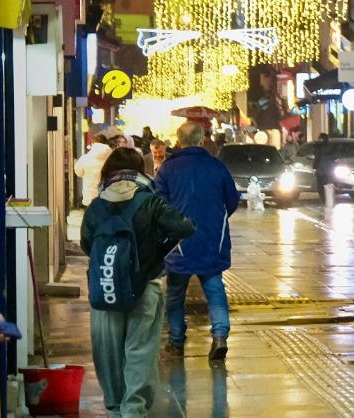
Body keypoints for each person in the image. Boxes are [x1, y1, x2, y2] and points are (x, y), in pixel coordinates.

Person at [81, 148, 195, 415]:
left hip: (106, 287)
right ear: (139, 172)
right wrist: (156, 250)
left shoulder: (97, 206)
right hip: (146, 285)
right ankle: (134, 409)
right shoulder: (150, 201)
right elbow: (185, 227)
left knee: (107, 352)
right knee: (140, 350)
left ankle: (114, 407)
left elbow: (87, 243)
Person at [154, 122, 241, 361]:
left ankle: (176, 340)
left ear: (178, 141)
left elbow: (157, 205)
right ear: (202, 140)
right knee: (214, 289)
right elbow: (232, 200)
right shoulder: (217, 166)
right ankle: (220, 336)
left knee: (175, 293)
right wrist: (216, 219)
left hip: (178, 241)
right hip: (213, 237)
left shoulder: (167, 169)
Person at [75, 135, 113, 207]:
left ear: (93, 144)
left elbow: (78, 172)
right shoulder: (112, 158)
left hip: (90, 195)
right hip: (108, 196)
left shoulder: (85, 158)